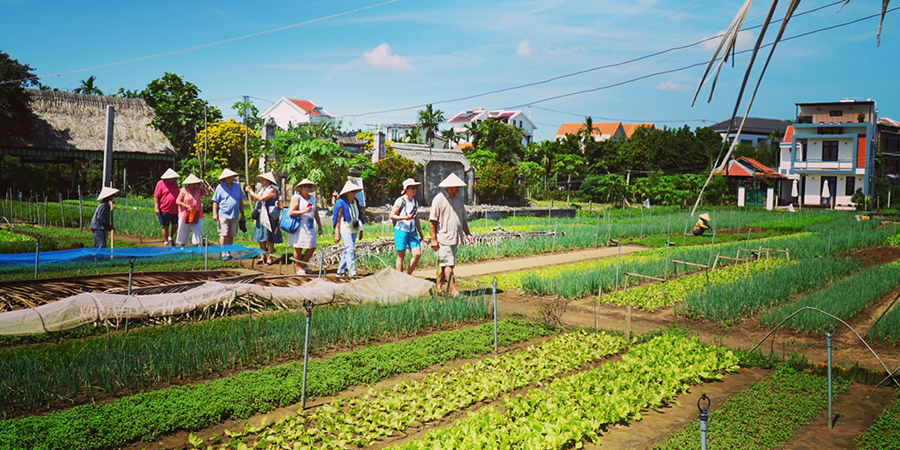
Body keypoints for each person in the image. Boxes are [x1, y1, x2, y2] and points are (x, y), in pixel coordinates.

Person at [429, 173, 474, 297]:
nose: (458, 189)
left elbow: (463, 219)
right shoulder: (439, 199)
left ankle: (439, 287)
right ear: (449, 187)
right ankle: (454, 291)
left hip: (455, 237)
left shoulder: (459, 199)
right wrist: (433, 240)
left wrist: (468, 234)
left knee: (444, 264)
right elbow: (432, 221)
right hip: (443, 238)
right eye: (456, 187)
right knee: (449, 265)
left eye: (458, 187)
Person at [286, 178, 322, 274]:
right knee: (299, 246)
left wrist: (319, 225)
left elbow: (316, 213)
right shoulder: (296, 198)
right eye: (305, 186)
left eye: (308, 186)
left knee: (312, 245)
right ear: (301, 188)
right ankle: (298, 267)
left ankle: (304, 263)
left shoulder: (313, 199)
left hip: (310, 225)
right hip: (299, 225)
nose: (307, 188)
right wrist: (303, 211)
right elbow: (291, 212)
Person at [246, 172, 282, 265]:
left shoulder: (272, 190)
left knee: (269, 237)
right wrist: (251, 193)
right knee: (260, 236)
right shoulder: (263, 189)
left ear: (268, 180)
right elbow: (256, 199)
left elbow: (262, 199)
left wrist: (252, 193)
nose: (261, 181)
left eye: (263, 179)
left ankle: (270, 257)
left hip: (269, 216)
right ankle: (263, 256)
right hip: (261, 215)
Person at [390, 178, 423, 274]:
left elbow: (416, 217)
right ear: (406, 189)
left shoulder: (415, 202)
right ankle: (400, 278)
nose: (414, 190)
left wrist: (420, 231)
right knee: (401, 255)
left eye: (415, 188)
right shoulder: (400, 201)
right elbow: (392, 215)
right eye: (412, 188)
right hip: (401, 230)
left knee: (417, 254)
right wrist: (405, 218)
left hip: (412, 231)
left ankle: (408, 275)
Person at [211, 168, 245, 260]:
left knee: (231, 234)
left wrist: (242, 212)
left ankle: (228, 252)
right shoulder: (220, 187)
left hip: (234, 214)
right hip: (223, 214)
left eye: (231, 177)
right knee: (224, 233)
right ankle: (223, 252)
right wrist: (215, 213)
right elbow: (215, 201)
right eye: (227, 177)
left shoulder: (237, 187)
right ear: (224, 178)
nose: (229, 178)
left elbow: (240, 200)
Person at [333, 181, 365, 276]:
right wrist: (337, 233)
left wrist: (361, 230)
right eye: (352, 192)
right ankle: (352, 272)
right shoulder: (341, 203)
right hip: (345, 228)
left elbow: (359, 217)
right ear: (347, 192)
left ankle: (340, 271)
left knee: (347, 250)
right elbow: (337, 219)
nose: (354, 193)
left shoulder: (355, 202)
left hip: (354, 228)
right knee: (350, 249)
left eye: (355, 192)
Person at [175, 174, 209, 246]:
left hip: (197, 213)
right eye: (192, 183)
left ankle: (198, 246)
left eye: (195, 183)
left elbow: (207, 194)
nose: (193, 185)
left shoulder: (199, 190)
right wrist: (186, 206)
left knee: (198, 230)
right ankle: (182, 246)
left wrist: (204, 184)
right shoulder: (183, 190)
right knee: (183, 230)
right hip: (185, 214)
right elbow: (177, 201)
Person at [153, 168, 180, 246]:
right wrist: (156, 207)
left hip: (174, 209)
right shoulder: (160, 183)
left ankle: (170, 237)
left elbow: (177, 194)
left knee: (175, 225)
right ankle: (165, 241)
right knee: (165, 225)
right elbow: (156, 196)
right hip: (164, 208)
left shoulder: (175, 183)